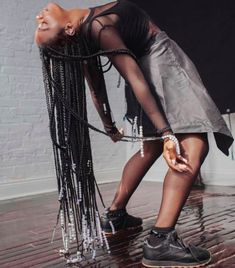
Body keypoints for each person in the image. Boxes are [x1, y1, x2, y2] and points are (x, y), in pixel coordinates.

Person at [35, 1, 233, 267]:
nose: (40, 16)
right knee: (193, 145)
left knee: (149, 148)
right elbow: (134, 79)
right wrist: (167, 133)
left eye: (40, 23)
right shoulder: (99, 27)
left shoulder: (86, 34)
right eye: (43, 24)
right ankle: (161, 240)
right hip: (157, 60)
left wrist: (109, 124)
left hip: (143, 66)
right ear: (69, 28)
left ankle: (115, 214)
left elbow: (98, 90)